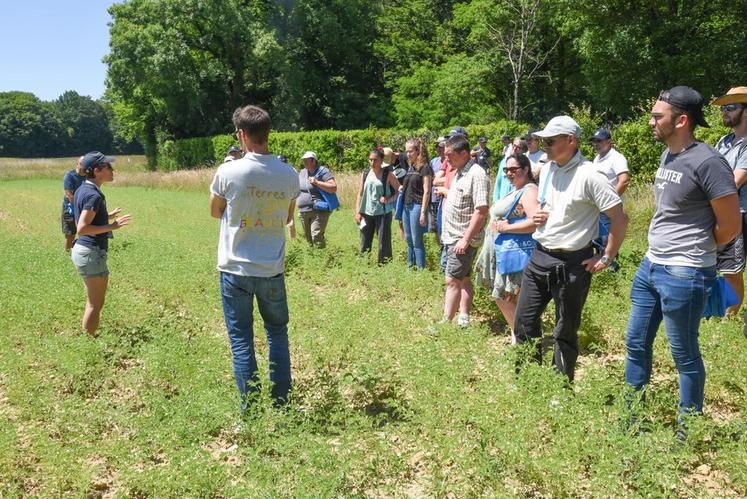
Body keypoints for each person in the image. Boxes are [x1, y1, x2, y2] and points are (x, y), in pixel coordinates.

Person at [624, 87, 740, 427]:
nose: (650, 122)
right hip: (651, 265)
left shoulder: (708, 162)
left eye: (658, 116)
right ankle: (633, 420)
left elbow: (731, 225)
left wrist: (695, 250)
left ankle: (687, 430)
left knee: (684, 354)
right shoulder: (669, 156)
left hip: (684, 272)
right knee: (635, 342)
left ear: (682, 120)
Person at [513, 116, 628, 382]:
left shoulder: (591, 175)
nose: (546, 146)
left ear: (571, 140)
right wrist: (538, 213)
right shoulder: (549, 168)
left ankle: (560, 387)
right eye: (543, 141)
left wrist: (607, 255)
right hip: (540, 255)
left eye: (551, 142)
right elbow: (548, 203)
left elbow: (619, 218)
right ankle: (530, 380)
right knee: (523, 322)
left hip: (573, 263)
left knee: (564, 330)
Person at [209, 105, 299, 409]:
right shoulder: (288, 174)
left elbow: (214, 211)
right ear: (267, 133)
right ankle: (282, 404)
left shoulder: (228, 171)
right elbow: (288, 216)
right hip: (271, 269)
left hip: (235, 269)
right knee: (277, 336)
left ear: (241, 135)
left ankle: (250, 411)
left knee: (241, 340)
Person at [476, 153, 539, 341]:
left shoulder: (529, 190)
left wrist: (508, 227)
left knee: (505, 295)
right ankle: (518, 335)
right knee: (507, 296)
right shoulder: (516, 189)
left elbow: (535, 222)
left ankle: (520, 337)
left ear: (526, 169)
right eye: (506, 170)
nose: (509, 174)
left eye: (514, 169)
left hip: (514, 252)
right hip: (503, 251)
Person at [71, 152, 131, 336]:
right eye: (108, 168)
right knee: (95, 304)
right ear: (97, 171)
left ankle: (89, 336)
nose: (112, 171)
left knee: (94, 302)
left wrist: (106, 215)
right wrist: (111, 226)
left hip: (86, 251)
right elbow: (82, 228)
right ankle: (88, 343)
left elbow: (84, 216)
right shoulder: (93, 195)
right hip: (91, 252)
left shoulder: (83, 188)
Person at [440, 135, 490, 327]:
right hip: (453, 237)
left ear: (464, 153)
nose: (446, 160)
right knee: (464, 278)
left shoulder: (476, 174)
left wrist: (465, 240)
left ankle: (445, 322)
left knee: (451, 280)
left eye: (450, 155)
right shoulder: (460, 172)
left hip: (462, 239)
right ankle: (464, 317)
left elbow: (481, 211)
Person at [712, 87, 747, 316]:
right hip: (728, 213)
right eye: (723, 107)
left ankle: (733, 318)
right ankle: (730, 315)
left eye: (731, 107)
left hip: (742, 212)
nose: (724, 111)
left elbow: (734, 181)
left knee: (732, 268)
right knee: (729, 269)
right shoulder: (723, 141)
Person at [355, 149, 401, 264]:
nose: (372, 162)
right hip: (366, 212)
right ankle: (364, 264)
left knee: (383, 243)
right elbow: (360, 193)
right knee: (364, 241)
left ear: (381, 160)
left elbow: (399, 190)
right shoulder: (365, 173)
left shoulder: (388, 174)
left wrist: (388, 199)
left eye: (375, 160)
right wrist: (357, 212)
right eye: (370, 159)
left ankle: (385, 266)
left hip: (383, 213)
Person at [591, 128, 630, 257]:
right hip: (596, 207)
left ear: (609, 142)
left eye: (599, 141)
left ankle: (611, 268)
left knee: (607, 239)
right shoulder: (597, 158)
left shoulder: (616, 158)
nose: (596, 144)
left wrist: (610, 200)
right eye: (594, 141)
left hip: (609, 207)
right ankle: (601, 266)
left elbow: (623, 180)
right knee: (598, 239)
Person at [401, 138, 434, 269]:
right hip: (406, 206)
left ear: (418, 151)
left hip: (417, 206)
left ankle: (421, 270)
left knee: (417, 241)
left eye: (410, 151)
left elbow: (427, 191)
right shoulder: (411, 167)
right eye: (406, 151)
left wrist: (422, 213)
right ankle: (410, 266)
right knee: (408, 239)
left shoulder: (425, 167)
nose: (408, 154)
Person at [296, 151, 337, 248]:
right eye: (303, 160)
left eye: (307, 160)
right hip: (303, 211)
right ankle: (312, 259)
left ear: (314, 160)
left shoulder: (323, 171)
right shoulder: (302, 172)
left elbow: (333, 187)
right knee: (308, 238)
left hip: (319, 210)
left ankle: (321, 258)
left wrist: (317, 182)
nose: (304, 162)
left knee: (317, 236)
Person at [62, 156, 86, 251]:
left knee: (86, 231)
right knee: (70, 233)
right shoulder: (70, 175)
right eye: (82, 164)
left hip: (85, 207)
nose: (84, 167)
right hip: (70, 207)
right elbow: (69, 194)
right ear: (77, 164)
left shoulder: (89, 176)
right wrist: (78, 208)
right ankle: (67, 253)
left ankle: (81, 252)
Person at [493, 136, 528, 202]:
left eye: (518, 147)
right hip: (502, 199)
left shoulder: (524, 164)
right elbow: (498, 182)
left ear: (522, 150)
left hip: (516, 201)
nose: (514, 148)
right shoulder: (504, 162)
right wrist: (495, 201)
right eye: (514, 145)